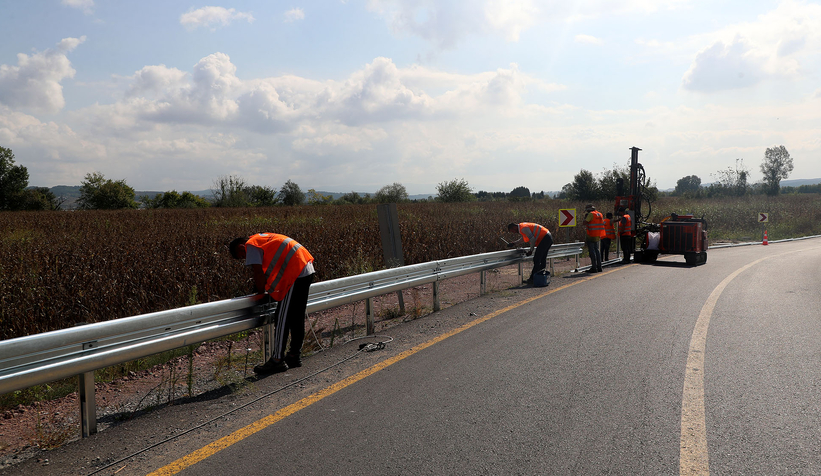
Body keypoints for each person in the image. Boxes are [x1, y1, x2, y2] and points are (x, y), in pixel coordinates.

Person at [229, 233, 315, 375]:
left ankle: (277, 360)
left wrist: (260, 292)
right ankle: (294, 355)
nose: (245, 259)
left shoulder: (251, 245)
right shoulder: (262, 239)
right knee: (296, 316)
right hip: (306, 268)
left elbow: (258, 272)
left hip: (295, 273)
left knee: (282, 317)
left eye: (242, 256)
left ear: (240, 247)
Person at [583, 204, 604, 272]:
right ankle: (599, 267)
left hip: (591, 235)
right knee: (597, 251)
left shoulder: (591, 214)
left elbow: (585, 222)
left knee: (592, 251)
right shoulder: (599, 214)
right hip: (598, 235)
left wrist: (585, 218)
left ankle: (594, 268)